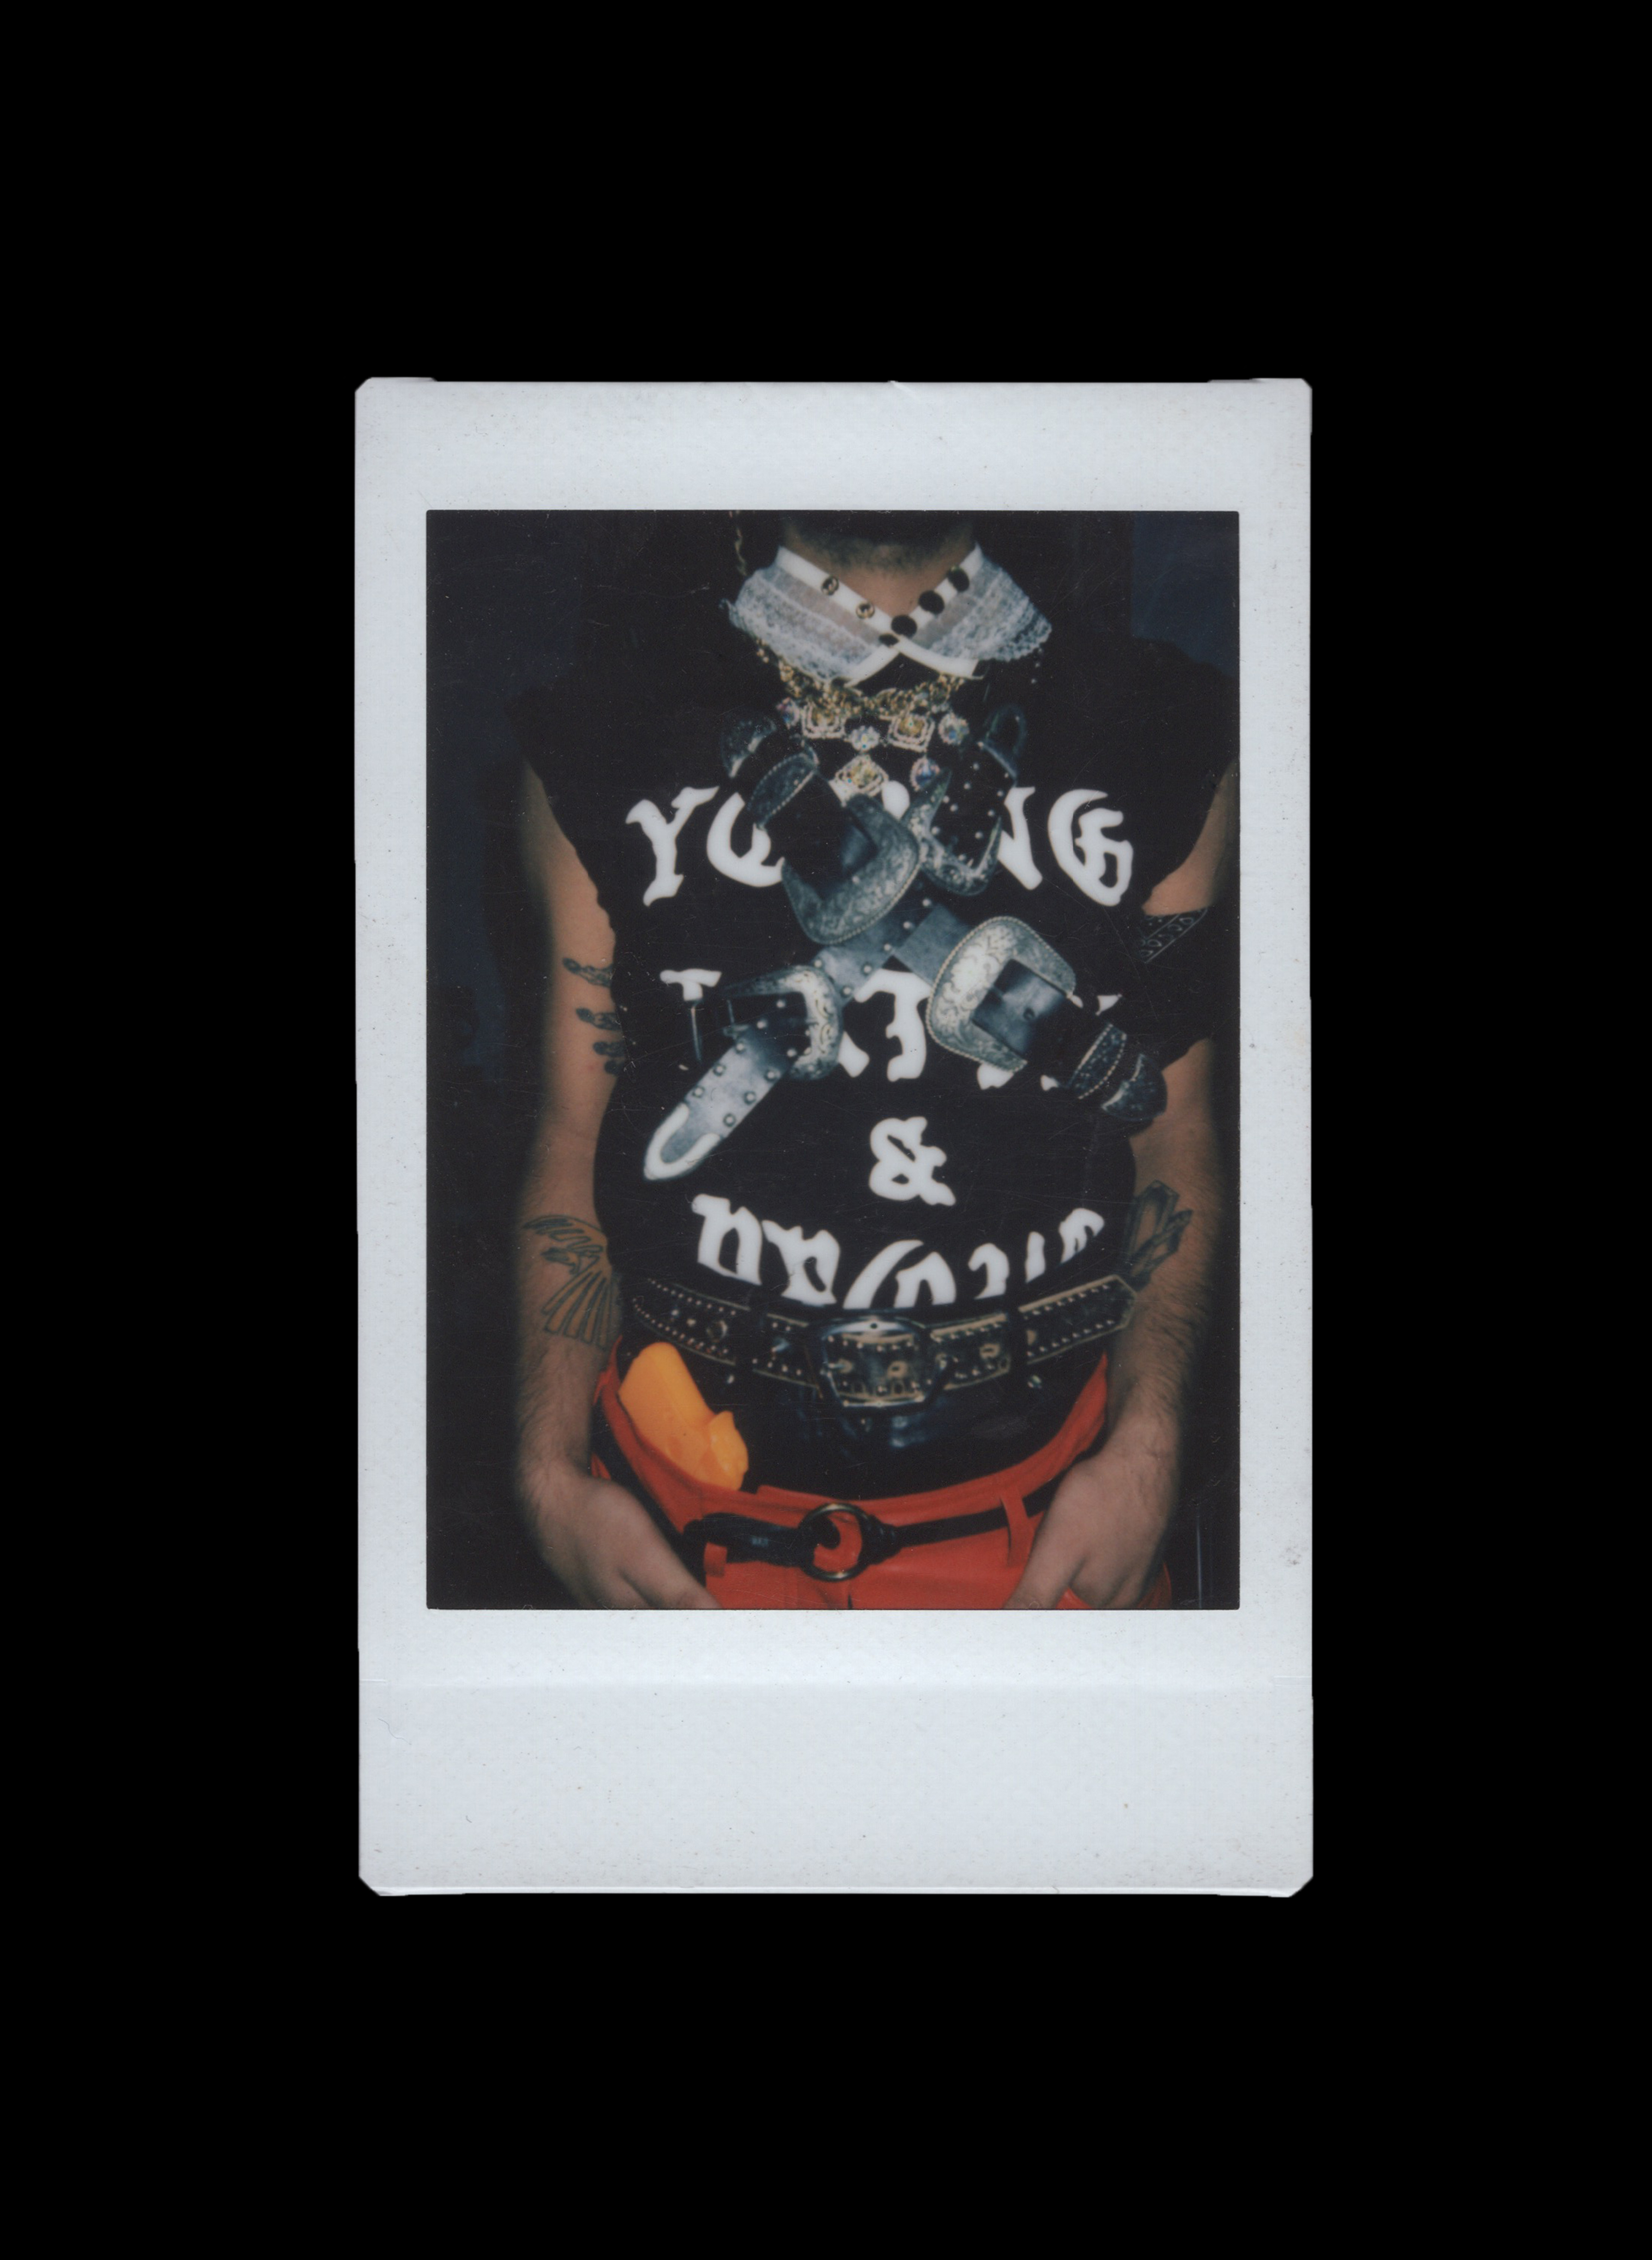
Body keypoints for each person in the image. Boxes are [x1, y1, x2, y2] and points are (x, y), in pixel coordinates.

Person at [508, 512, 1236, 1609]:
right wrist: (549, 1467)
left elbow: (1174, 1123)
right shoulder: (600, 728)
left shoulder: (1166, 724)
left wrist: (1148, 1444)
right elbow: (572, 1127)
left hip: (1050, 1510)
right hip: (682, 1511)